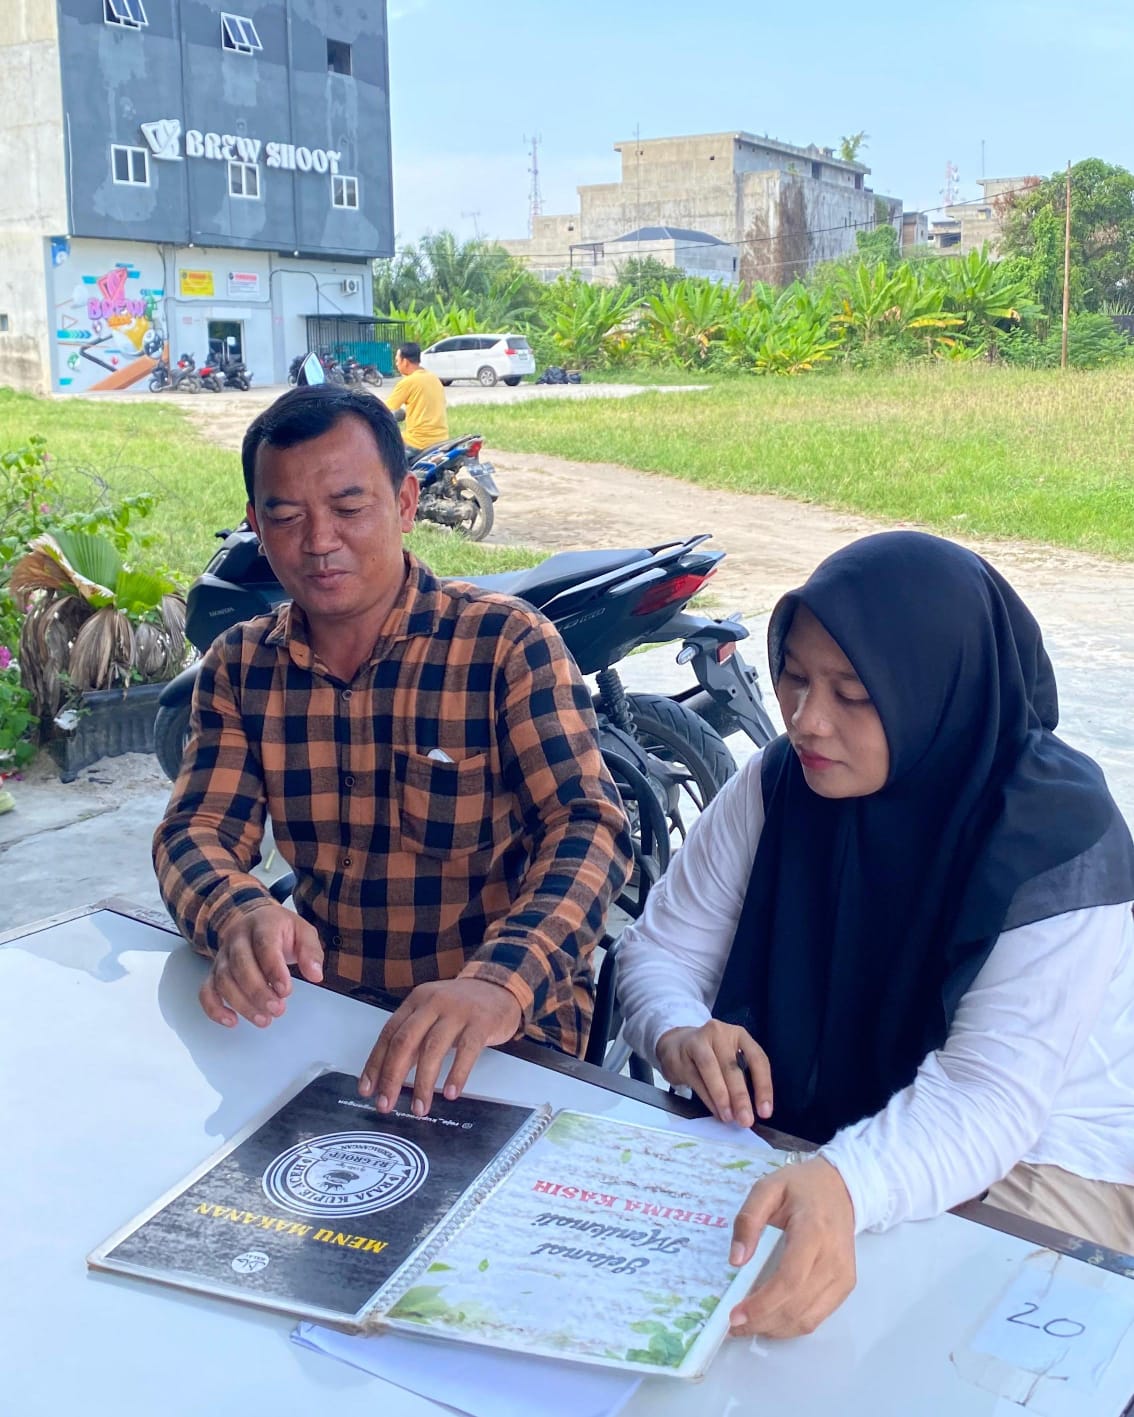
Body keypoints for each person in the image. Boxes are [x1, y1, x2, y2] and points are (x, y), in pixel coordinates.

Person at [617, 530, 1134, 1339]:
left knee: (924, 1340)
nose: (807, 719)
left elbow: (989, 1096)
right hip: (840, 1137)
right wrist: (678, 1029)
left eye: (854, 693)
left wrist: (848, 1181)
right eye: (793, 677)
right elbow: (660, 949)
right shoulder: (783, 783)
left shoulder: (1056, 838)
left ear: (935, 691)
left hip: (1043, 1150)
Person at [154, 383, 631, 1116]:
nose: (319, 541)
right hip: (324, 1014)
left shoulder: (504, 645)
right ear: (255, 523)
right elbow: (195, 832)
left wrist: (499, 982)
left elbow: (588, 827)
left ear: (406, 503)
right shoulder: (242, 666)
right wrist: (238, 912)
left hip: (500, 1033)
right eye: (286, 516)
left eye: (349, 508)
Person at [384, 340, 449, 462]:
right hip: (442, 439)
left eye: (397, 360)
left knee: (383, 455)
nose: (396, 364)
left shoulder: (408, 382)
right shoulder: (433, 378)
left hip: (418, 442)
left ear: (405, 361)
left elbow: (384, 410)